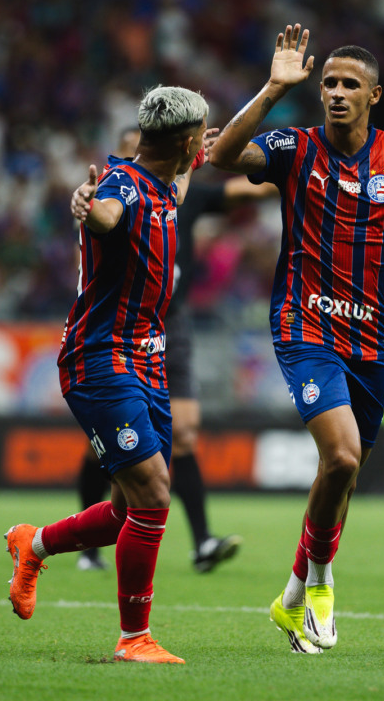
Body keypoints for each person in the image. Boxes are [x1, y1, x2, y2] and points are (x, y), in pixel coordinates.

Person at [209, 24, 384, 654]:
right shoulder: (294, 147)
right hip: (305, 324)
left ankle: (292, 597)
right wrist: (273, 89)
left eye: (351, 84)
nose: (338, 93)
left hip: (371, 336)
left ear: (374, 95)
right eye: (329, 83)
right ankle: (321, 586)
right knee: (342, 457)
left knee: (340, 476)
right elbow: (221, 157)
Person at [3, 85, 208, 665]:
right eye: (198, 140)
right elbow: (106, 214)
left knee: (126, 510)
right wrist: (86, 208)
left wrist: (272, 91)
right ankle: (133, 638)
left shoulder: (167, 184)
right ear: (185, 142)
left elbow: (190, 170)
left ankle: (34, 544)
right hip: (101, 360)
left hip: (146, 360)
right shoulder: (122, 184)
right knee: (154, 494)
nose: (201, 149)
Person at [76, 129, 274, 574]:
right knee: (112, 458)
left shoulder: (180, 192)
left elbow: (240, 189)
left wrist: (298, 172)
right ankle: (83, 548)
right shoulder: (115, 191)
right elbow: (100, 225)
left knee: (180, 437)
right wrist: (89, 208)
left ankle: (201, 541)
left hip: (170, 326)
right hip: (117, 333)